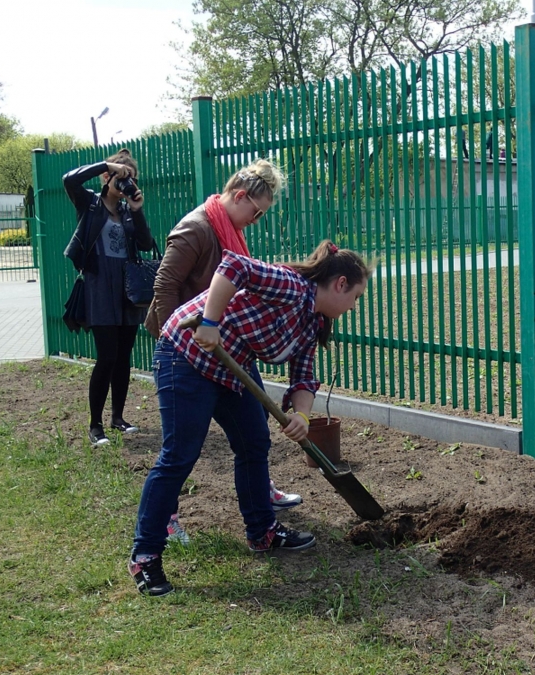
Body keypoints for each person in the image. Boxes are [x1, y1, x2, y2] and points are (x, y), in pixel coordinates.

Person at [129, 241, 372, 596]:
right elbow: (233, 267)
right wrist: (210, 321)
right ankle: (145, 554)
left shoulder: (310, 323)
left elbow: (303, 377)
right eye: (355, 297)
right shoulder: (289, 286)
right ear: (339, 284)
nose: (353, 306)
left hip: (231, 367)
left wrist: (302, 416)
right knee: (180, 453)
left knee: (254, 442)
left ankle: (262, 532)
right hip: (186, 354)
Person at [143, 159, 298, 545]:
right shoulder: (195, 229)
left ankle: (260, 501)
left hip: (225, 346)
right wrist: (175, 342)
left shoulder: (228, 228)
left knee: (253, 432)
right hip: (187, 347)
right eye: (256, 212)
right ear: (240, 196)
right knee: (180, 449)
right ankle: (165, 519)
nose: (256, 221)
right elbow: (165, 285)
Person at [64, 148, 155, 447]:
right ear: (108, 176)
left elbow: (144, 243)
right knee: (106, 357)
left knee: (124, 357)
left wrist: (138, 209)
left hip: (127, 289)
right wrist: (106, 163)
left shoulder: (129, 212)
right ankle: (95, 425)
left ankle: (118, 417)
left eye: (131, 179)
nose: (127, 184)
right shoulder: (89, 203)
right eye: (121, 177)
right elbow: (70, 180)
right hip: (99, 286)